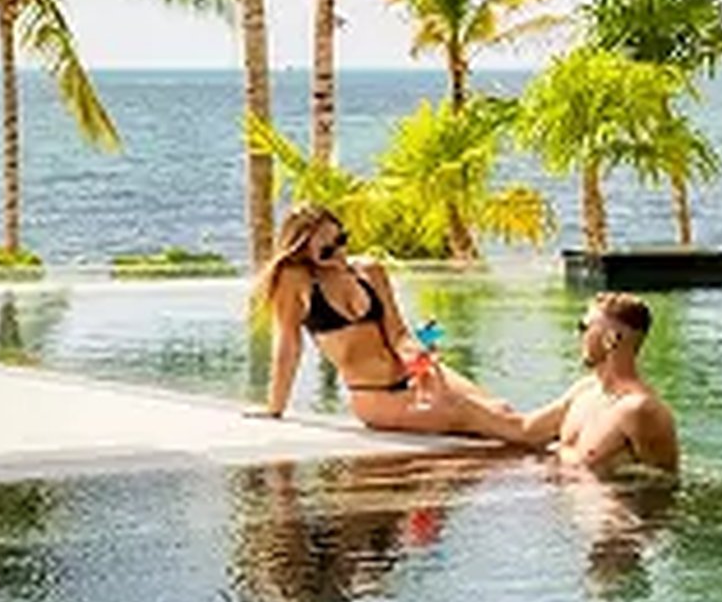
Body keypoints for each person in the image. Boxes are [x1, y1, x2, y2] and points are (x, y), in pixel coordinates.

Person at [257, 204, 547, 445]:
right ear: (302, 249)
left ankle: (564, 435)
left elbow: (398, 333)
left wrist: (419, 359)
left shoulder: (369, 271)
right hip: (375, 396)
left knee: (501, 411)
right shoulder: (295, 280)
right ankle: (567, 424)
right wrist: (275, 409)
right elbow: (288, 345)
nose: (339, 253)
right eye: (326, 250)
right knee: (483, 418)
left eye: (341, 240)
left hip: (414, 373)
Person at [530, 291, 680, 476]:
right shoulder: (585, 391)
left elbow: (664, 483)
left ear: (611, 339)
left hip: (605, 503)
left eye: (584, 327)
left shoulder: (640, 410)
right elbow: (523, 429)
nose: (578, 334)